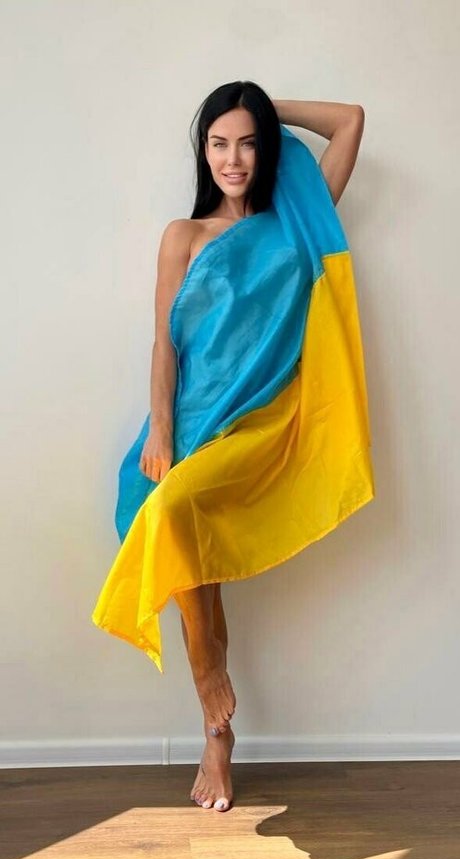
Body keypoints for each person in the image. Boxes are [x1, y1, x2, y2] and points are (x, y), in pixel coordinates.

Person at [92, 81, 375, 813]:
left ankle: (209, 680)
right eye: (218, 143)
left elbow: (349, 122)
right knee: (187, 549)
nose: (233, 159)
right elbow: (164, 343)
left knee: (175, 516)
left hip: (259, 425)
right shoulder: (183, 236)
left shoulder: (296, 223)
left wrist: (266, 103)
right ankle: (216, 732)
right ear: (203, 152)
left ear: (266, 147)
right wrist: (160, 431)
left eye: (248, 142)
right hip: (184, 423)